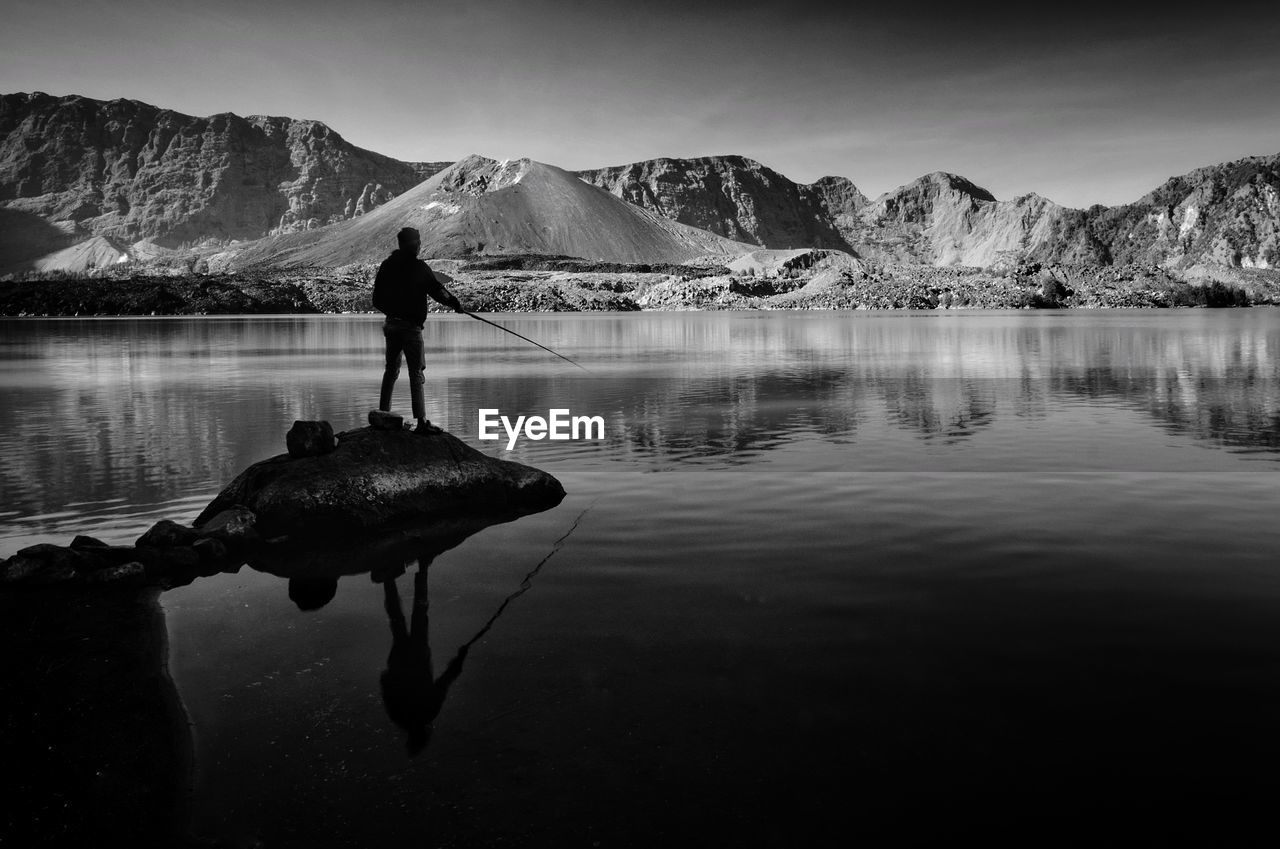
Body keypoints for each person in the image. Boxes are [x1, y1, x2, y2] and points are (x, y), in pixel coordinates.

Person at [372, 227, 464, 434]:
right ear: (413, 244)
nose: (420, 246)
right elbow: (437, 290)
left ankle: (383, 413)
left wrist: (393, 312)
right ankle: (421, 422)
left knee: (391, 370)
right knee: (416, 372)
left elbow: (376, 299)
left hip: (391, 325)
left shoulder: (387, 266)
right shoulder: (418, 267)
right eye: (418, 242)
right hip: (411, 328)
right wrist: (455, 304)